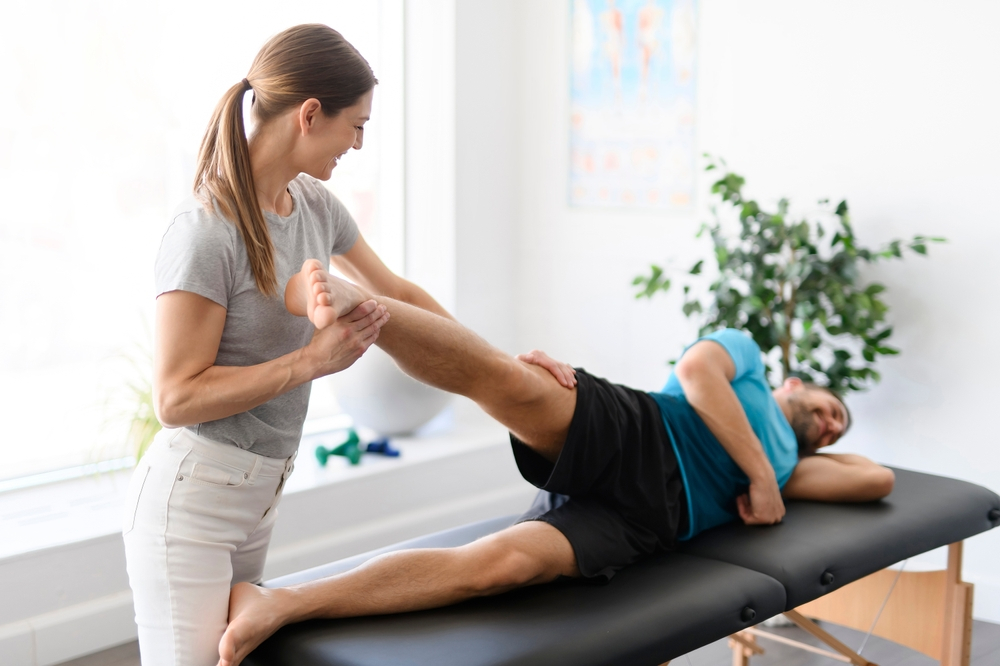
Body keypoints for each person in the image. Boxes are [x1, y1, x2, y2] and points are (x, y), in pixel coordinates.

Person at [215, 264, 896, 666]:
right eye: (832, 406)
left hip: (646, 523)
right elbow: (695, 372)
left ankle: (279, 603)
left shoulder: (794, 467)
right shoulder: (746, 359)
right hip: (643, 432)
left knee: (500, 566)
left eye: (838, 428)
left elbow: (877, 481)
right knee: (509, 384)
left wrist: (780, 474)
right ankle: (346, 299)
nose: (833, 422)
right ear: (798, 385)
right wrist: (757, 477)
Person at [122, 24, 462, 666]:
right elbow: (175, 397)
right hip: (192, 499)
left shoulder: (313, 205)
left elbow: (396, 291)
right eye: (355, 125)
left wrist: (502, 366)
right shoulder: (202, 232)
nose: (358, 143)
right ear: (310, 114)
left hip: (259, 493)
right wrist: (310, 361)